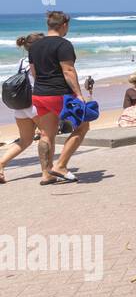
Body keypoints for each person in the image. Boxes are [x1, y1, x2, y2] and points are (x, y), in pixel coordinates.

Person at [27, 11, 89, 184]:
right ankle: (61, 165)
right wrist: (78, 94)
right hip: (59, 94)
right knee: (83, 127)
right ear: (63, 25)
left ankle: (46, 174)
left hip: (39, 94)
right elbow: (68, 71)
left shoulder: (35, 47)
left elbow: (34, 72)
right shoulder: (64, 45)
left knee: (46, 134)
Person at [0, 33, 44, 185]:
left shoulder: (21, 61)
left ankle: (1, 164)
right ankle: (49, 169)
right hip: (35, 104)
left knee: (25, 140)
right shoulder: (39, 60)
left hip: (21, 106)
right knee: (46, 135)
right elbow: (39, 80)